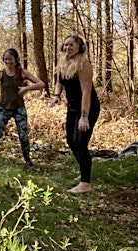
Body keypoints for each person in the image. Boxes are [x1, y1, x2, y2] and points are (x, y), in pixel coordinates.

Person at [0, 48, 45, 167]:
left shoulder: (22, 73)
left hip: (19, 108)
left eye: (10, 59)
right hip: (4, 108)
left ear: (16, 60)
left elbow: (41, 84)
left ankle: (27, 160)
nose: (8, 62)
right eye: (6, 59)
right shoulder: (1, 73)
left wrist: (26, 89)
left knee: (23, 135)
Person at [49, 35, 100, 194]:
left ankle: (85, 183)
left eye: (72, 45)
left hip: (87, 107)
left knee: (80, 142)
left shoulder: (83, 65)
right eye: (66, 45)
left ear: (80, 47)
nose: (68, 48)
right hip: (71, 108)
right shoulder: (63, 63)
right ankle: (84, 173)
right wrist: (57, 96)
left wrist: (84, 117)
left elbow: (86, 93)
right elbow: (59, 81)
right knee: (71, 141)